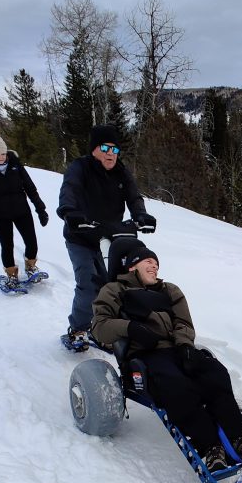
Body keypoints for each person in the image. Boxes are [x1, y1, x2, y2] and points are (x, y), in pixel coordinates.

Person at [91, 245, 242, 472]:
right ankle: (210, 447)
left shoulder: (169, 290)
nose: (154, 266)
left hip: (177, 349)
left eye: (156, 263)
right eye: (148, 261)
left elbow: (184, 322)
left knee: (216, 374)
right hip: (145, 355)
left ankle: (238, 438)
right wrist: (130, 327)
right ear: (132, 266)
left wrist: (185, 345)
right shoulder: (114, 290)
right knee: (177, 385)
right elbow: (99, 327)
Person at [57, 124, 156, 347]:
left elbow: (133, 196)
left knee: (116, 285)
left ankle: (107, 329)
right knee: (89, 283)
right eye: (106, 148)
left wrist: (141, 215)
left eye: (115, 149)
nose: (111, 153)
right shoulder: (80, 168)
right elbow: (69, 190)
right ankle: (78, 329)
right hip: (81, 235)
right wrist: (70, 212)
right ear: (94, 149)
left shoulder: (121, 172)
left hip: (111, 236)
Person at [0, 129, 49, 289]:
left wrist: (40, 209)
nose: (1, 157)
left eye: (3, 153)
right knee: (7, 245)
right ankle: (11, 274)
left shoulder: (15, 164)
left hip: (21, 210)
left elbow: (30, 187)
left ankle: (31, 266)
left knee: (31, 242)